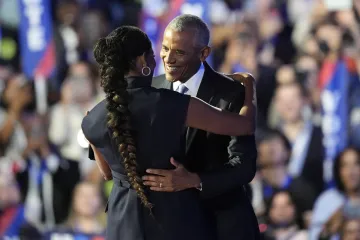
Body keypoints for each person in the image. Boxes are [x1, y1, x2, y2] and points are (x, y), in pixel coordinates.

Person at [81, 26, 255, 240]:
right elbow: (243, 125)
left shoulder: (92, 118)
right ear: (143, 61)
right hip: (171, 217)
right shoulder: (171, 103)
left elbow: (107, 174)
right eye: (155, 54)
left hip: (122, 220)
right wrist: (248, 87)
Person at [143, 14, 260, 239]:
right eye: (165, 48)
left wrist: (195, 180)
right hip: (170, 224)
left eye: (180, 52)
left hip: (221, 223)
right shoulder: (151, 90)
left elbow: (245, 166)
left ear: (204, 53)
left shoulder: (234, 92)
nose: (168, 58)